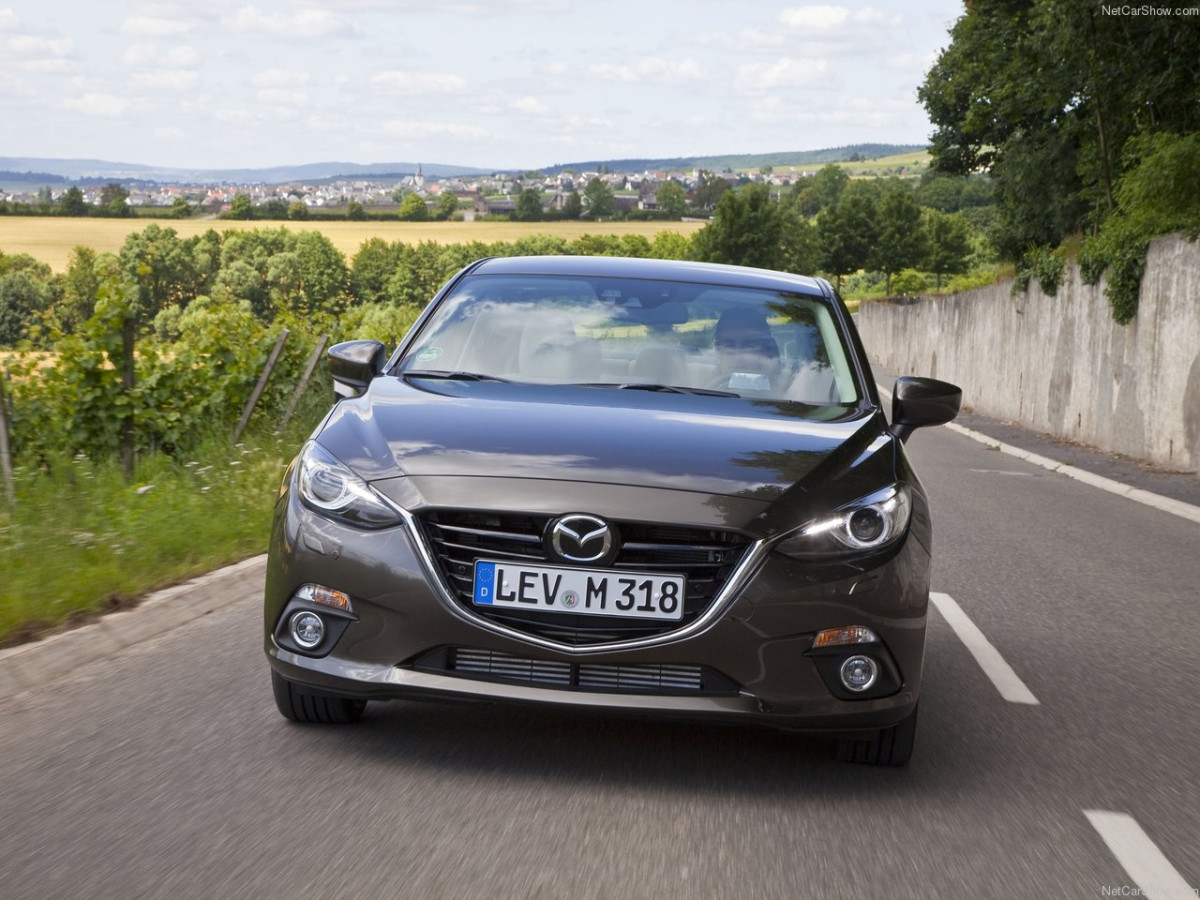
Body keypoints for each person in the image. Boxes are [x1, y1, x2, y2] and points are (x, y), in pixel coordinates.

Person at [713, 307, 783, 391]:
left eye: (749, 346)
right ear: (717, 351)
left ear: (764, 351)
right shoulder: (696, 394)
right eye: (729, 346)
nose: (738, 357)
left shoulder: (786, 396)